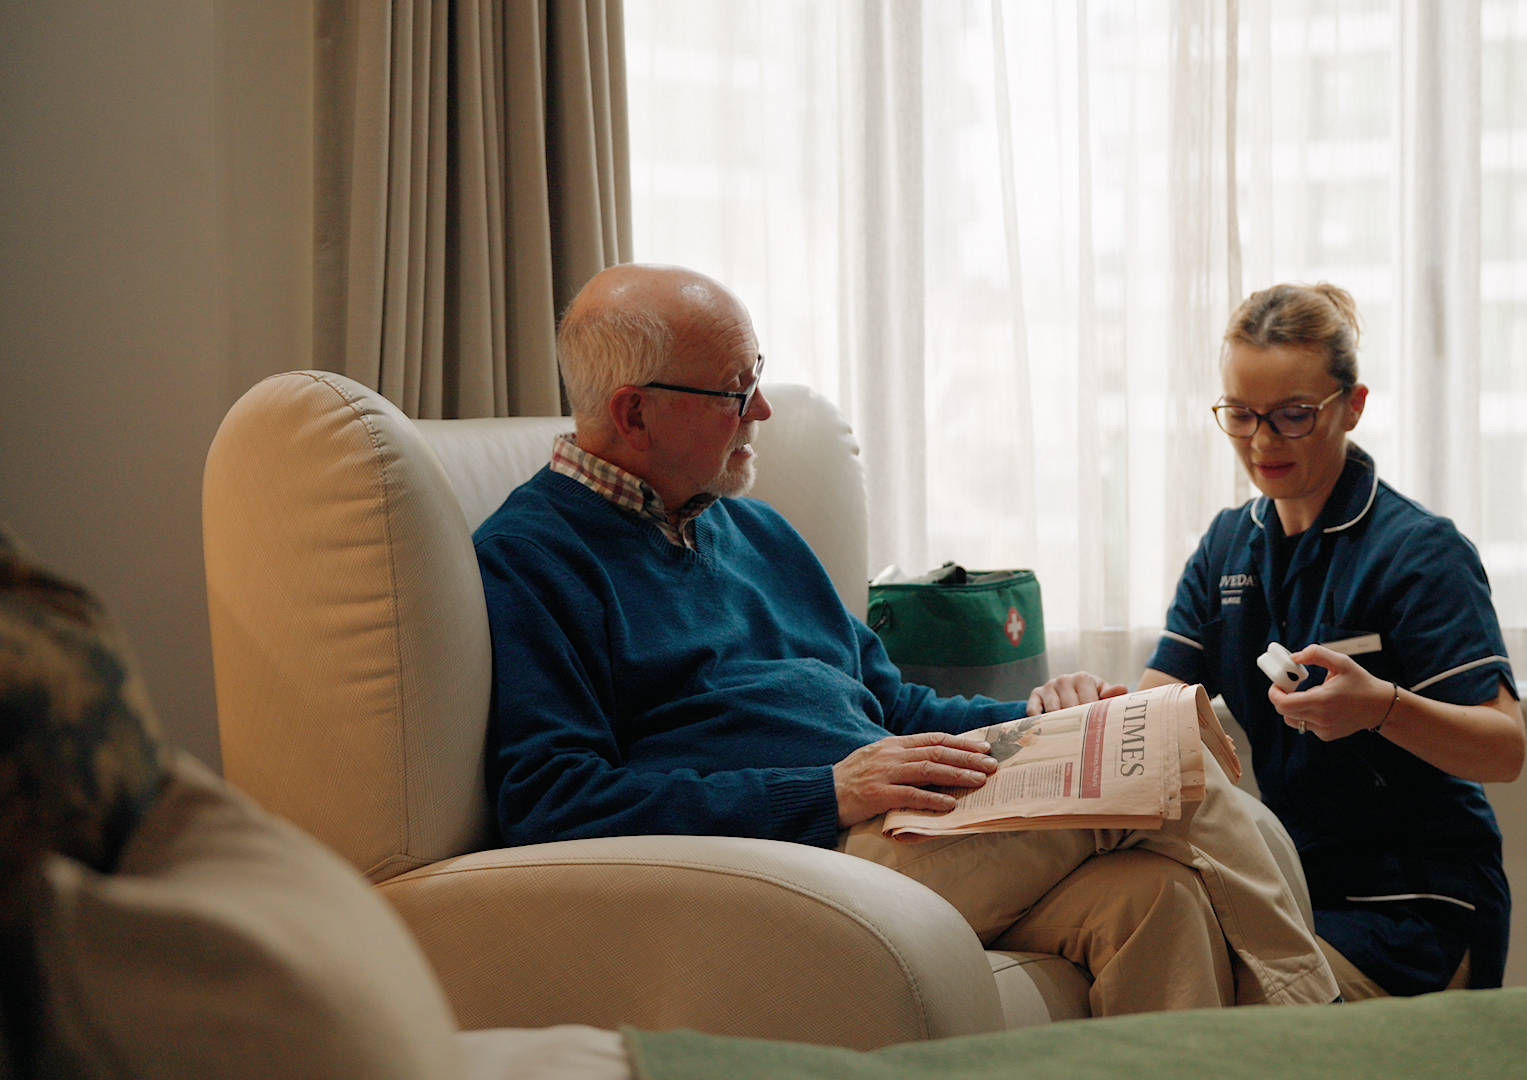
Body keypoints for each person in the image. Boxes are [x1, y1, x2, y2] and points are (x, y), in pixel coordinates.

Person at [475, 263, 1336, 1015]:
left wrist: (1038, 717)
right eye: (737, 389)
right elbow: (553, 800)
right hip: (807, 859)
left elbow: (893, 703)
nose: (762, 410)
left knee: (1154, 898)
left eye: (758, 377)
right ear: (635, 414)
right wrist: (821, 790)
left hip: (914, 820)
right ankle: (1319, 1039)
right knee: (1170, 776)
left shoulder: (755, 532)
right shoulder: (535, 559)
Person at [1140, 282, 1526, 1001]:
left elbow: (1504, 748)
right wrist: (1089, 716)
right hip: (1291, 888)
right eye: (1241, 414)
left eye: (1292, 415)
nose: (1261, 441)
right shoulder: (1229, 546)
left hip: (1415, 909)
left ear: (1352, 405)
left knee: (1229, 1008)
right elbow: (1156, 713)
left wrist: (1380, 708)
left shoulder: (1418, 553)